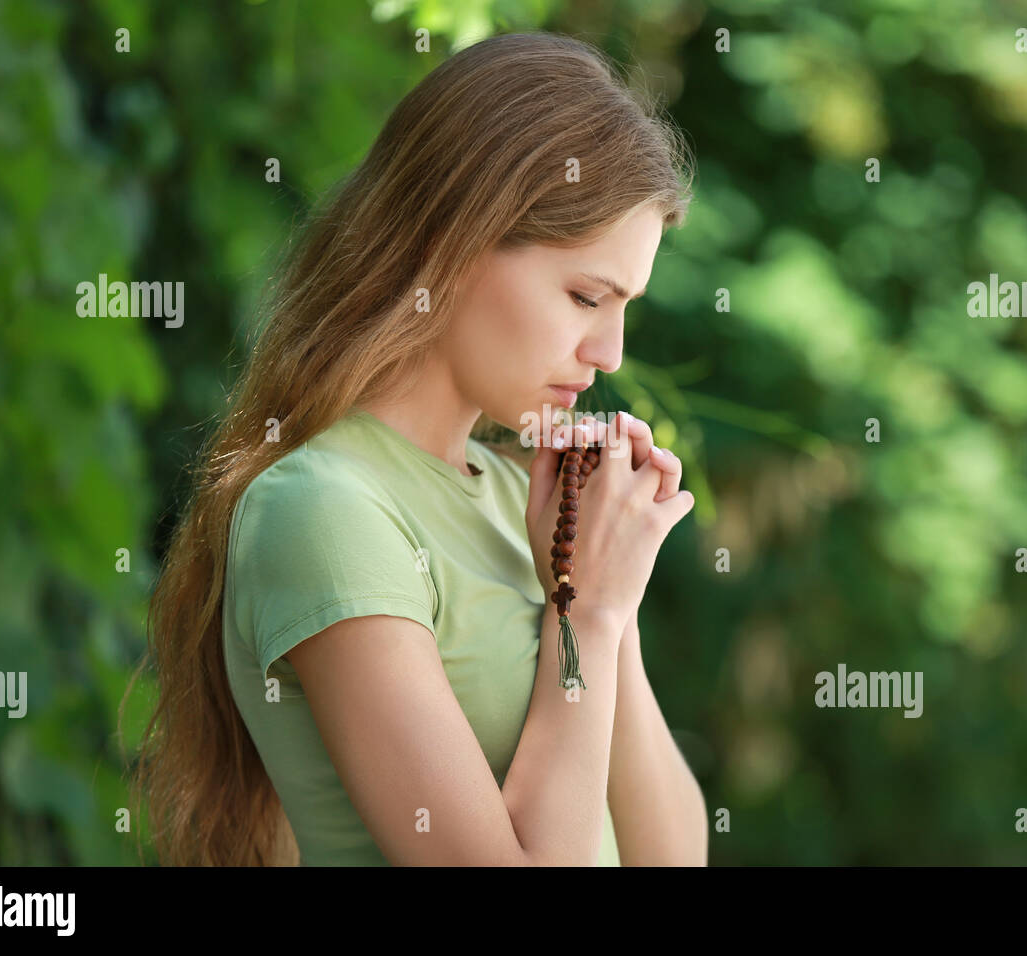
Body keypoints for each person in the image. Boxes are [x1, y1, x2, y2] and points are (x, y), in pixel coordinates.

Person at [127, 31, 705, 866]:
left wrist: (608, 596)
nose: (610, 353)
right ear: (456, 242)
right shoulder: (326, 509)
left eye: (625, 307)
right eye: (586, 296)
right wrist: (587, 616)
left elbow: (674, 857)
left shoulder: (523, 502)